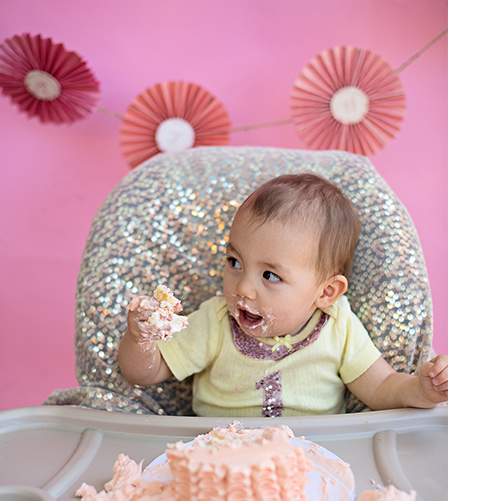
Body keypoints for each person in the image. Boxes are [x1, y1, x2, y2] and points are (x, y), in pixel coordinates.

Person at [118, 173, 448, 417]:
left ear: (326, 292)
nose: (243, 288)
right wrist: (139, 339)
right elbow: (144, 373)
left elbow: (380, 387)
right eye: (235, 262)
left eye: (270, 275)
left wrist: (421, 390)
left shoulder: (339, 327)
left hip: (309, 460)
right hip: (220, 457)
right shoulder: (216, 322)